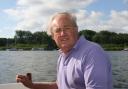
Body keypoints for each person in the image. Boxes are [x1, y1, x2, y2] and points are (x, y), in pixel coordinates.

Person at [16, 12, 113, 89]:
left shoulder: (92, 52)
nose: (62, 33)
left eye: (67, 28)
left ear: (76, 30)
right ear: (53, 37)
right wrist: (32, 85)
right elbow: (59, 86)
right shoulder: (62, 56)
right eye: (57, 31)